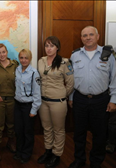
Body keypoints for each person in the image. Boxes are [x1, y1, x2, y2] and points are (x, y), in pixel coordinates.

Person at [68, 26, 116, 168]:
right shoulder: (75, 55)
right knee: (79, 132)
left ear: (98, 36)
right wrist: (71, 97)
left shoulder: (108, 54)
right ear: (81, 38)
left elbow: (115, 78)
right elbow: (72, 80)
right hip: (80, 99)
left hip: (101, 100)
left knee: (100, 134)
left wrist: (114, 100)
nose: (88, 37)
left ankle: (96, 162)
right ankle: (79, 160)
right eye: (85, 35)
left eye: (91, 34)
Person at [37, 36, 74, 168]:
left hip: (58, 102)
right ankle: (48, 151)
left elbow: (70, 83)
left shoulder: (65, 63)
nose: (49, 48)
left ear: (57, 47)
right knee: (46, 128)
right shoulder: (41, 61)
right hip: (43, 101)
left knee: (58, 129)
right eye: (47, 45)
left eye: (52, 46)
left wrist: (63, 95)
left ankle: (56, 154)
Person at [13, 49, 41, 163]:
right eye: (21, 58)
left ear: (30, 59)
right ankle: (19, 151)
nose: (23, 60)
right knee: (18, 130)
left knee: (28, 132)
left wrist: (34, 110)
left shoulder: (34, 73)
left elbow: (37, 93)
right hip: (17, 105)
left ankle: (26, 154)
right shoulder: (17, 70)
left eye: (26, 58)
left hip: (28, 106)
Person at [0, 43, 19, 161]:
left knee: (11, 123)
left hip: (13, 99)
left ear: (7, 52)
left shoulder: (15, 65)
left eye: (3, 52)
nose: (1, 55)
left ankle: (11, 142)